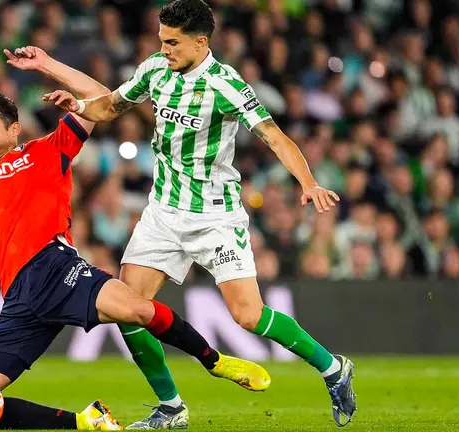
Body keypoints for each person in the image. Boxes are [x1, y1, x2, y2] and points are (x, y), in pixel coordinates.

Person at [0, 51, 269, 430]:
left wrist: (47, 65)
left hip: (58, 268)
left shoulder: (47, 151)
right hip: (18, 299)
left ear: (14, 129)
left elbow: (101, 96)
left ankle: (215, 362)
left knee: (138, 311)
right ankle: (87, 422)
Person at [40, 0, 357, 428]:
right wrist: (77, 106)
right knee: (128, 308)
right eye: (161, 40)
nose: (164, 49)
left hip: (215, 217)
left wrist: (308, 183)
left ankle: (333, 367)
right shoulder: (154, 69)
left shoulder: (225, 85)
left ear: (200, 42)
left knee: (248, 316)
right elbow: (110, 107)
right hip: (163, 213)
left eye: (172, 43)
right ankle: (171, 408)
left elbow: (275, 137)